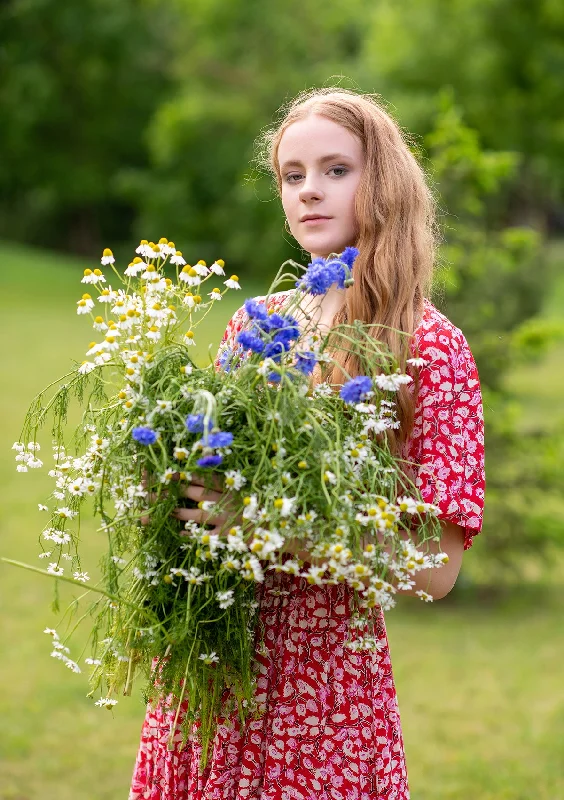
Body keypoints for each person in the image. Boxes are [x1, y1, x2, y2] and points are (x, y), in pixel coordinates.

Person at [129, 88, 485, 800]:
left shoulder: (430, 347)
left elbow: (436, 570)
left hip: (322, 690)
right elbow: (217, 482)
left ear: (380, 182)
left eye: (335, 170)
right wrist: (169, 498)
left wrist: (271, 533)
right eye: (293, 175)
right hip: (215, 661)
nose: (309, 192)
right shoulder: (254, 326)